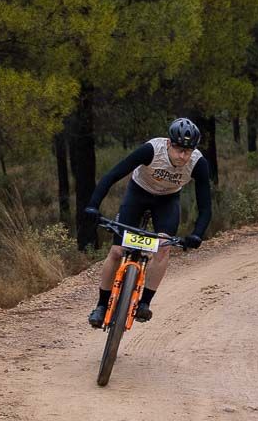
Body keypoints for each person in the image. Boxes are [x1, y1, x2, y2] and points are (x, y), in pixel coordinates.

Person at [85, 118, 211, 326]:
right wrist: (93, 205)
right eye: (179, 149)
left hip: (167, 200)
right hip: (138, 193)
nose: (183, 156)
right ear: (169, 144)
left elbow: (205, 205)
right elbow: (113, 175)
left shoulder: (198, 163)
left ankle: (144, 303)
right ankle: (101, 305)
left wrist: (197, 233)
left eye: (188, 151)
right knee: (117, 250)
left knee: (163, 247)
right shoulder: (152, 150)